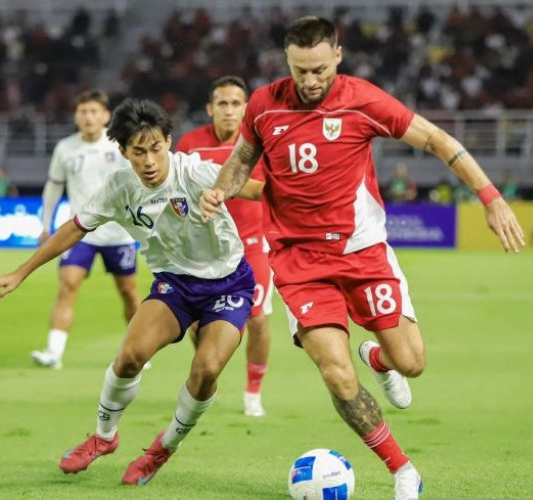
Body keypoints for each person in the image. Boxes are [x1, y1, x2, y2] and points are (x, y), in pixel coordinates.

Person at [200, 17, 525, 500]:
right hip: (298, 261)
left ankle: (378, 357)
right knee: (335, 371)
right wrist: (219, 191)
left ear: (338, 56)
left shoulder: (364, 100)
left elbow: (437, 139)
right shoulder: (265, 105)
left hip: (362, 252)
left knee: (411, 363)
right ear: (287, 61)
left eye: (319, 69)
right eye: (299, 70)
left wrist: (491, 197)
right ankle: (403, 469)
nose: (310, 80)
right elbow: (242, 160)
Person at [0, 98, 264, 485]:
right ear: (123, 151)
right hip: (175, 283)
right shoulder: (119, 187)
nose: (149, 160)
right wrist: (22, 272)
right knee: (130, 356)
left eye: (155, 148)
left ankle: (163, 448)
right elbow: (74, 228)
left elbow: (257, 190)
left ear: (168, 142)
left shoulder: (194, 172)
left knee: (205, 370)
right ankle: (104, 437)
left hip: (229, 283)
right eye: (138, 151)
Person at [176, 76, 273, 417]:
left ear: (245, 108)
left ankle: (253, 393)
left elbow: (274, 189)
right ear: (210, 108)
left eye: (235, 104)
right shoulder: (190, 144)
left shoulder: (260, 143)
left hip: (252, 247)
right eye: (222, 103)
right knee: (196, 324)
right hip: (204, 249)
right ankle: (209, 376)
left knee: (258, 321)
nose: (229, 110)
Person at [32, 90, 140, 370]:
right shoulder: (65, 148)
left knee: (129, 292)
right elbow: (53, 186)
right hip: (80, 232)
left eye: (94, 111)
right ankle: (54, 352)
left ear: (105, 116)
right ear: (76, 116)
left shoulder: (120, 145)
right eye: (83, 112)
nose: (88, 117)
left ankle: (140, 350)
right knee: (67, 286)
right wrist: (45, 225)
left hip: (118, 233)